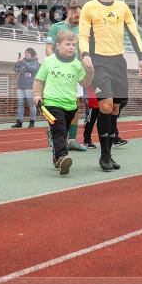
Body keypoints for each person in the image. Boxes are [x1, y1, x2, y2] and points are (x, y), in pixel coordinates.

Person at [79, 0, 142, 171]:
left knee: (116, 108)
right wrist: (85, 54)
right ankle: (105, 155)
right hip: (99, 62)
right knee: (106, 106)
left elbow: (133, 32)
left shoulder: (122, 7)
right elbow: (83, 34)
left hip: (118, 62)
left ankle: (108, 151)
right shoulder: (89, 7)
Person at [34, 29, 94, 175]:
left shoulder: (77, 64)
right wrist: (36, 95)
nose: (72, 47)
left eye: (74, 44)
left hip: (71, 105)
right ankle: (63, 157)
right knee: (60, 130)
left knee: (62, 132)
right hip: (52, 103)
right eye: (68, 44)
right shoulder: (49, 62)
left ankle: (56, 157)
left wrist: (90, 72)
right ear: (58, 45)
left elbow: (85, 84)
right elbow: (39, 80)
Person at [46, 1, 89, 151]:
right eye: (76, 15)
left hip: (75, 72)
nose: (78, 19)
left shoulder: (81, 30)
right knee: (57, 105)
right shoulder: (56, 28)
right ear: (69, 12)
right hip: (59, 71)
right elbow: (48, 48)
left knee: (75, 106)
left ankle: (71, 139)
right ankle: (54, 133)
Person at [12, 48, 39, 128]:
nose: (26, 54)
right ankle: (19, 122)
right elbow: (16, 70)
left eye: (28, 53)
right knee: (20, 104)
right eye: (25, 53)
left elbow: (32, 69)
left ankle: (32, 121)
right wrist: (17, 63)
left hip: (29, 87)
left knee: (31, 105)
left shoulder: (35, 62)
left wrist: (22, 62)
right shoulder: (22, 61)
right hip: (20, 87)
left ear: (32, 54)